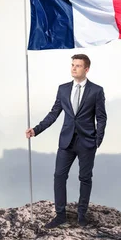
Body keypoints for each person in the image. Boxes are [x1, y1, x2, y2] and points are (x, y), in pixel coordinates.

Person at [25, 54, 107, 228]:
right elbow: (53, 113)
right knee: (59, 176)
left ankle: (82, 216)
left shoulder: (96, 90)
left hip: (87, 142)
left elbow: (101, 117)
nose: (73, 68)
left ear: (86, 69)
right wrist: (36, 130)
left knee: (85, 178)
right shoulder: (63, 89)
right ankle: (60, 215)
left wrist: (97, 140)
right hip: (66, 141)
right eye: (72, 65)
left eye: (78, 65)